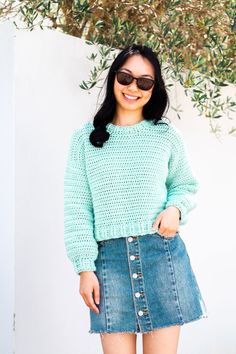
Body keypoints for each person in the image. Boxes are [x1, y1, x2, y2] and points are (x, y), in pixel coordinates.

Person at [64, 44, 208, 354]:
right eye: (126, 77)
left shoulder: (166, 136)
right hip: (109, 265)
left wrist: (175, 209)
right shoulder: (84, 140)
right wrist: (84, 267)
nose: (133, 88)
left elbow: (185, 185)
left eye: (145, 82)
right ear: (113, 78)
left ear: (154, 89)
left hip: (162, 258)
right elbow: (77, 207)